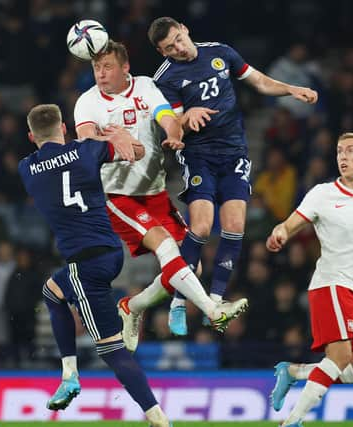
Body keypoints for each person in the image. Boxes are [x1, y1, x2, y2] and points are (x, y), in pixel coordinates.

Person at [148, 17, 318, 335]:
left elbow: (259, 81)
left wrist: (291, 89)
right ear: (162, 52)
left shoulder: (221, 53)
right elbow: (168, 122)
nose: (178, 49)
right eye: (169, 48)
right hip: (199, 155)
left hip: (234, 153)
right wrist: (185, 117)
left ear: (185, 29)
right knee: (200, 225)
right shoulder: (166, 78)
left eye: (178, 40)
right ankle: (179, 303)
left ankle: (215, 302)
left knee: (235, 225)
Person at [74, 40, 248, 349]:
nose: (101, 74)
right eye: (96, 68)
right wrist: (114, 143)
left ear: (125, 67)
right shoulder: (88, 103)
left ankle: (133, 307)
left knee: (189, 266)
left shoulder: (145, 87)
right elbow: (86, 140)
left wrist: (173, 133)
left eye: (108, 67)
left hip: (154, 192)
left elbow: (167, 116)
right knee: (167, 248)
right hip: (117, 195)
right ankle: (213, 309)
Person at [18, 103, 171, 426]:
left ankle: (158, 419)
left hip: (85, 263)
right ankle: (69, 374)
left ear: (31, 137)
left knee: (112, 350)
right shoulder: (87, 151)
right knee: (52, 292)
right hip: (110, 251)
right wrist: (119, 135)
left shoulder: (27, 168)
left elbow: (50, 162)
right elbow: (134, 152)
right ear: (64, 128)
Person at [265, 132, 353, 427]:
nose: (343, 156)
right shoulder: (322, 194)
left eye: (351, 151)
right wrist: (280, 232)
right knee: (340, 356)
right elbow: (290, 223)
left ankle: (293, 372)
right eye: (339, 151)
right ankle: (292, 421)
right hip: (330, 285)